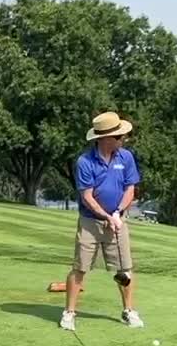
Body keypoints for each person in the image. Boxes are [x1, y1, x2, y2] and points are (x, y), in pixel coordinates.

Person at [60, 111, 144, 331]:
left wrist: (117, 213)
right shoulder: (85, 161)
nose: (122, 139)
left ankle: (128, 310)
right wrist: (106, 216)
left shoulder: (125, 157)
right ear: (105, 138)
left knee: (124, 269)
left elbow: (130, 188)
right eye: (118, 136)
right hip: (90, 222)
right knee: (80, 268)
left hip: (117, 220)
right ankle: (69, 313)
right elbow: (87, 197)